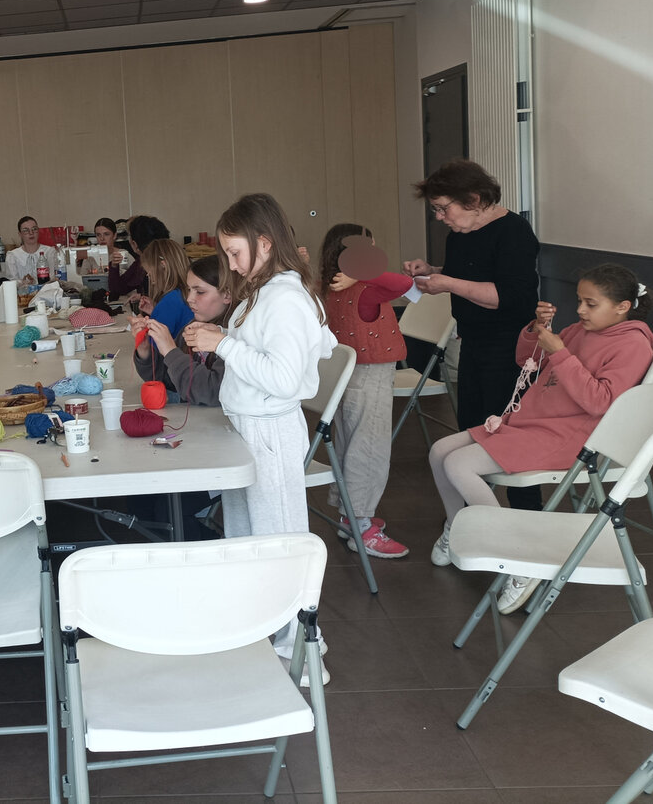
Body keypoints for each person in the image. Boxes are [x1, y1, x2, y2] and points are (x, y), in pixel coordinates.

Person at [429, 264, 653, 614]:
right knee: (439, 451)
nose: (580, 310)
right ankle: (457, 527)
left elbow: (600, 402)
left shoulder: (633, 344)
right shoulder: (581, 330)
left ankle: (516, 560)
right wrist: (537, 330)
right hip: (534, 422)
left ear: (622, 307)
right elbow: (526, 359)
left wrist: (560, 352)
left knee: (459, 464)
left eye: (591, 304)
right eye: (579, 301)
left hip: (569, 437)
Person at [183, 194, 335, 676]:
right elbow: (267, 355)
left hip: (269, 430)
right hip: (249, 426)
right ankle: (263, 629)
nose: (230, 264)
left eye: (234, 252)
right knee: (248, 538)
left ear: (265, 243)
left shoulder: (285, 298)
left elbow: (285, 379)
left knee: (280, 542)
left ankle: (303, 652)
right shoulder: (263, 291)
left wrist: (223, 344)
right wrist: (223, 342)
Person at [404, 159, 541, 510]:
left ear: (474, 200)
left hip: (510, 349)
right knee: (471, 429)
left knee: (509, 437)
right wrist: (432, 271)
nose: (440, 218)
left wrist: (447, 283)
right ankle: (471, 517)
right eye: (435, 210)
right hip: (474, 342)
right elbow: (469, 275)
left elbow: (509, 297)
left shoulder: (513, 232)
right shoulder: (460, 234)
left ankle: (527, 517)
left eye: (443, 208)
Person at [317, 223, 413, 558]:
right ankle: (361, 524)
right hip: (371, 374)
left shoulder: (328, 287)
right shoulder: (366, 289)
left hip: (345, 376)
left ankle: (349, 515)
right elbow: (405, 283)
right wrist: (362, 274)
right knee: (369, 448)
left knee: (349, 443)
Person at [132, 254, 231, 405]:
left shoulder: (235, 336)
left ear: (227, 294)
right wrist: (145, 351)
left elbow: (211, 392)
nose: (189, 298)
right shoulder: (190, 327)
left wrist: (170, 351)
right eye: (189, 289)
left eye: (199, 292)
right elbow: (168, 380)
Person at [128, 238, 194, 352]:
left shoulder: (169, 301)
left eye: (149, 271)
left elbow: (154, 348)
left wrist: (142, 326)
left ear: (163, 266)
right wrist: (156, 312)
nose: (149, 276)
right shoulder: (184, 294)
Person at [108, 214, 169, 301]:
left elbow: (119, 289)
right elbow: (119, 289)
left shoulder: (146, 264)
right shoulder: (141, 262)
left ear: (135, 244)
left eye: (129, 236)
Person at [4, 215, 57, 285]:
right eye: (26, 230)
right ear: (20, 234)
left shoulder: (49, 252)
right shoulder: (13, 256)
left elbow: (53, 278)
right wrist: (23, 282)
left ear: (38, 231)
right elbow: (11, 283)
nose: (31, 233)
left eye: (34, 229)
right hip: (22, 292)